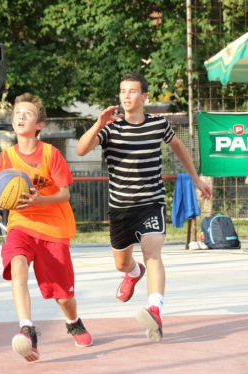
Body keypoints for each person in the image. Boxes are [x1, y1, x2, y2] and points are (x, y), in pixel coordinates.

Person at [76, 72, 212, 343]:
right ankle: (133, 273)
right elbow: (81, 150)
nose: (126, 96)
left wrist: (196, 178)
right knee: (121, 263)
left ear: (144, 96)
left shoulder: (158, 125)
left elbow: (178, 146)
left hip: (151, 202)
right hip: (120, 208)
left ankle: (155, 310)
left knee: (152, 251)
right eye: (122, 91)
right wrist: (98, 123)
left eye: (132, 91)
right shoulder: (110, 127)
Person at [0, 93, 92, 363]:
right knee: (17, 265)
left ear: (39, 124)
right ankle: (27, 329)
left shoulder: (50, 154)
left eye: (27, 113)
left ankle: (73, 320)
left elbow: (65, 194)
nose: (21, 116)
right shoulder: (6, 157)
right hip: (20, 224)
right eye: (17, 113)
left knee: (63, 295)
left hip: (53, 228)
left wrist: (41, 199)